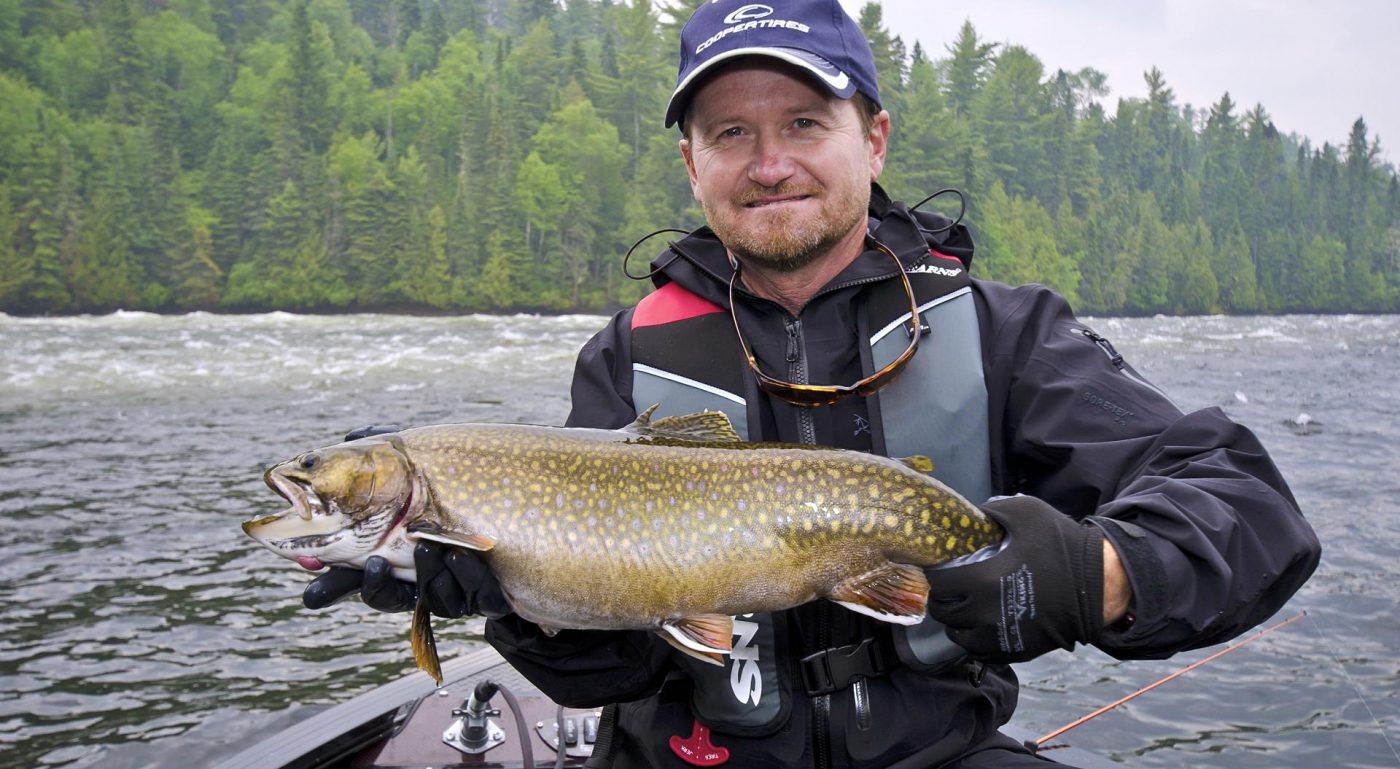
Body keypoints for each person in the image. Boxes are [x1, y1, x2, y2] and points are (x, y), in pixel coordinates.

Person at [306, 1, 1321, 766]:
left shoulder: (1007, 335)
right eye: (730, 133)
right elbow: (618, 667)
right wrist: (517, 605)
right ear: (691, 164)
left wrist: (1089, 574)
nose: (768, 162)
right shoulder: (626, 356)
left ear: (871, 138)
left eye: (801, 120)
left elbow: (1247, 510)